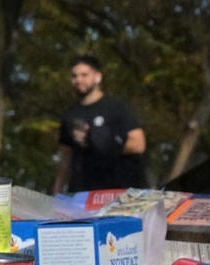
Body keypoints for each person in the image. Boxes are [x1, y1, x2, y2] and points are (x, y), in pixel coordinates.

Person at [58, 56, 151, 193]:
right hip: (82, 194)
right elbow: (66, 157)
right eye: (74, 76)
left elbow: (139, 144)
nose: (78, 80)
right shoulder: (70, 115)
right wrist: (57, 191)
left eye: (84, 75)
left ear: (98, 77)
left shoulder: (116, 107)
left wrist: (100, 142)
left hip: (119, 191)